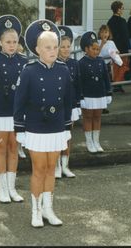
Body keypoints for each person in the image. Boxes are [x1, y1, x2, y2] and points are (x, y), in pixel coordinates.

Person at [15, 19, 72, 227]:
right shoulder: (29, 71)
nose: (53, 51)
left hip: (56, 127)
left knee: (51, 168)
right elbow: (19, 102)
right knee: (38, 169)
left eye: (55, 47)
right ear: (38, 49)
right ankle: (36, 211)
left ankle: (48, 209)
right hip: (36, 128)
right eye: (48, 47)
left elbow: (67, 100)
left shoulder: (63, 70)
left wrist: (67, 127)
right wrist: (19, 130)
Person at [0, 15, 28, 203]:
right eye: (8, 42)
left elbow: (27, 89)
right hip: (0, 110)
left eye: (15, 41)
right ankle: (2, 189)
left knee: (14, 147)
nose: (11, 45)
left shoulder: (24, 61)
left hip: (17, 111)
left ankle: (12, 188)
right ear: (0, 43)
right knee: (1, 147)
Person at [78, 31, 112, 154]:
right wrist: (80, 96)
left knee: (97, 117)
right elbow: (79, 81)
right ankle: (89, 142)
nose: (96, 52)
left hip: (99, 94)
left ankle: (96, 141)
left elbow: (106, 77)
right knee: (88, 117)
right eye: (93, 49)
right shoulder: (81, 63)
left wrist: (108, 92)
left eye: (98, 49)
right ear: (86, 49)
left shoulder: (100, 61)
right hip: (87, 95)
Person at [54, 25, 79, 179]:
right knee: (57, 136)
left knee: (68, 136)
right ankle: (56, 166)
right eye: (62, 47)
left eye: (68, 46)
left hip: (71, 105)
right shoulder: (54, 64)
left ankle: (65, 166)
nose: (65, 49)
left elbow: (78, 86)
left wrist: (78, 104)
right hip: (57, 106)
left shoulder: (74, 64)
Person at [97, 24, 123, 114]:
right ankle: (99, 106)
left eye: (106, 32)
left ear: (109, 33)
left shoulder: (111, 42)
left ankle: (104, 106)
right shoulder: (97, 42)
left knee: (107, 84)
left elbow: (116, 51)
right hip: (98, 65)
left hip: (107, 65)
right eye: (102, 32)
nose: (104, 34)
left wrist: (115, 52)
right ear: (99, 33)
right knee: (100, 86)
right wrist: (102, 44)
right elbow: (96, 54)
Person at [107, 1, 131, 92]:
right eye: (122, 8)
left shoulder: (110, 21)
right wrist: (128, 48)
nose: (123, 10)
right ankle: (118, 84)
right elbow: (125, 35)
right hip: (122, 47)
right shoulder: (122, 21)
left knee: (115, 66)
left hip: (114, 46)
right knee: (123, 65)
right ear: (118, 9)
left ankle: (116, 83)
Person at [16, 34, 28, 159]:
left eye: (20, 45)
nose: (18, 47)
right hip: (11, 96)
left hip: (22, 95)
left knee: (22, 123)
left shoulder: (25, 60)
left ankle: (20, 146)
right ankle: (15, 147)